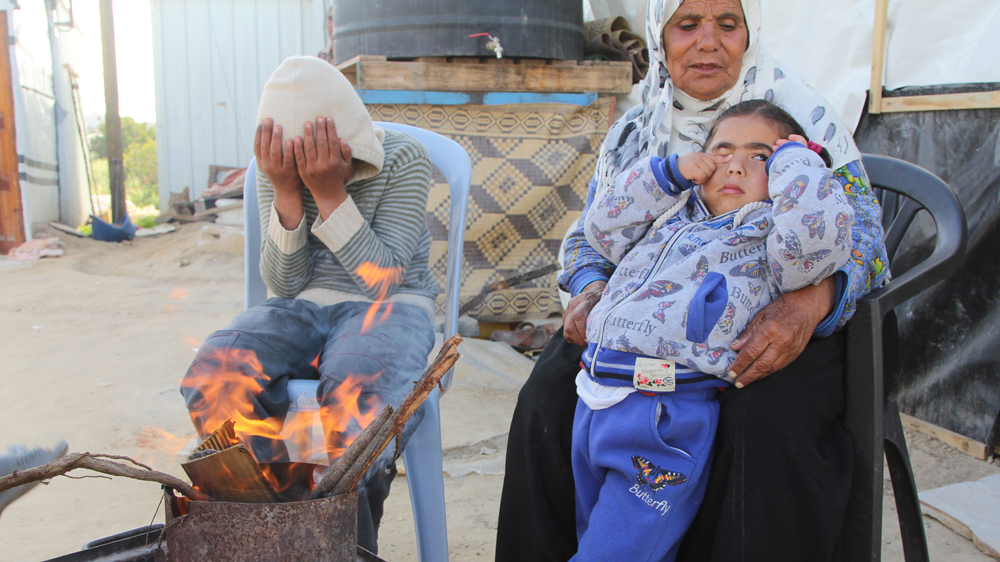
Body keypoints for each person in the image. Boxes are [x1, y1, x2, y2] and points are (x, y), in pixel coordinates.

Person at [495, 1, 889, 560]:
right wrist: (589, 287)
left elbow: (865, 237)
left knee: (764, 419)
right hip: (644, 316)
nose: (708, 41)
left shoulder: (800, 118)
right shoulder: (635, 132)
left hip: (787, 306)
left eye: (727, 24)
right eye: (687, 25)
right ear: (660, 38)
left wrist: (810, 303)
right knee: (548, 396)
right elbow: (594, 232)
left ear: (749, 34)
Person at [572, 100, 853, 561]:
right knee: (599, 536)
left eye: (760, 156)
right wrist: (667, 175)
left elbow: (816, 247)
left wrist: (797, 164)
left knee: (615, 552)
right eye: (722, 151)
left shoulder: (771, 236)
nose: (736, 165)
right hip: (595, 401)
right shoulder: (671, 214)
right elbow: (601, 229)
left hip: (664, 414)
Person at [180, 56, 437, 554]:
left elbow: (381, 280)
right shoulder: (275, 168)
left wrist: (328, 191)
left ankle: (340, 546)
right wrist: (286, 190)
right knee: (216, 373)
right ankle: (280, 525)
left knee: (363, 412)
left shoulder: (404, 156)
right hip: (296, 308)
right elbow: (283, 281)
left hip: (390, 307)